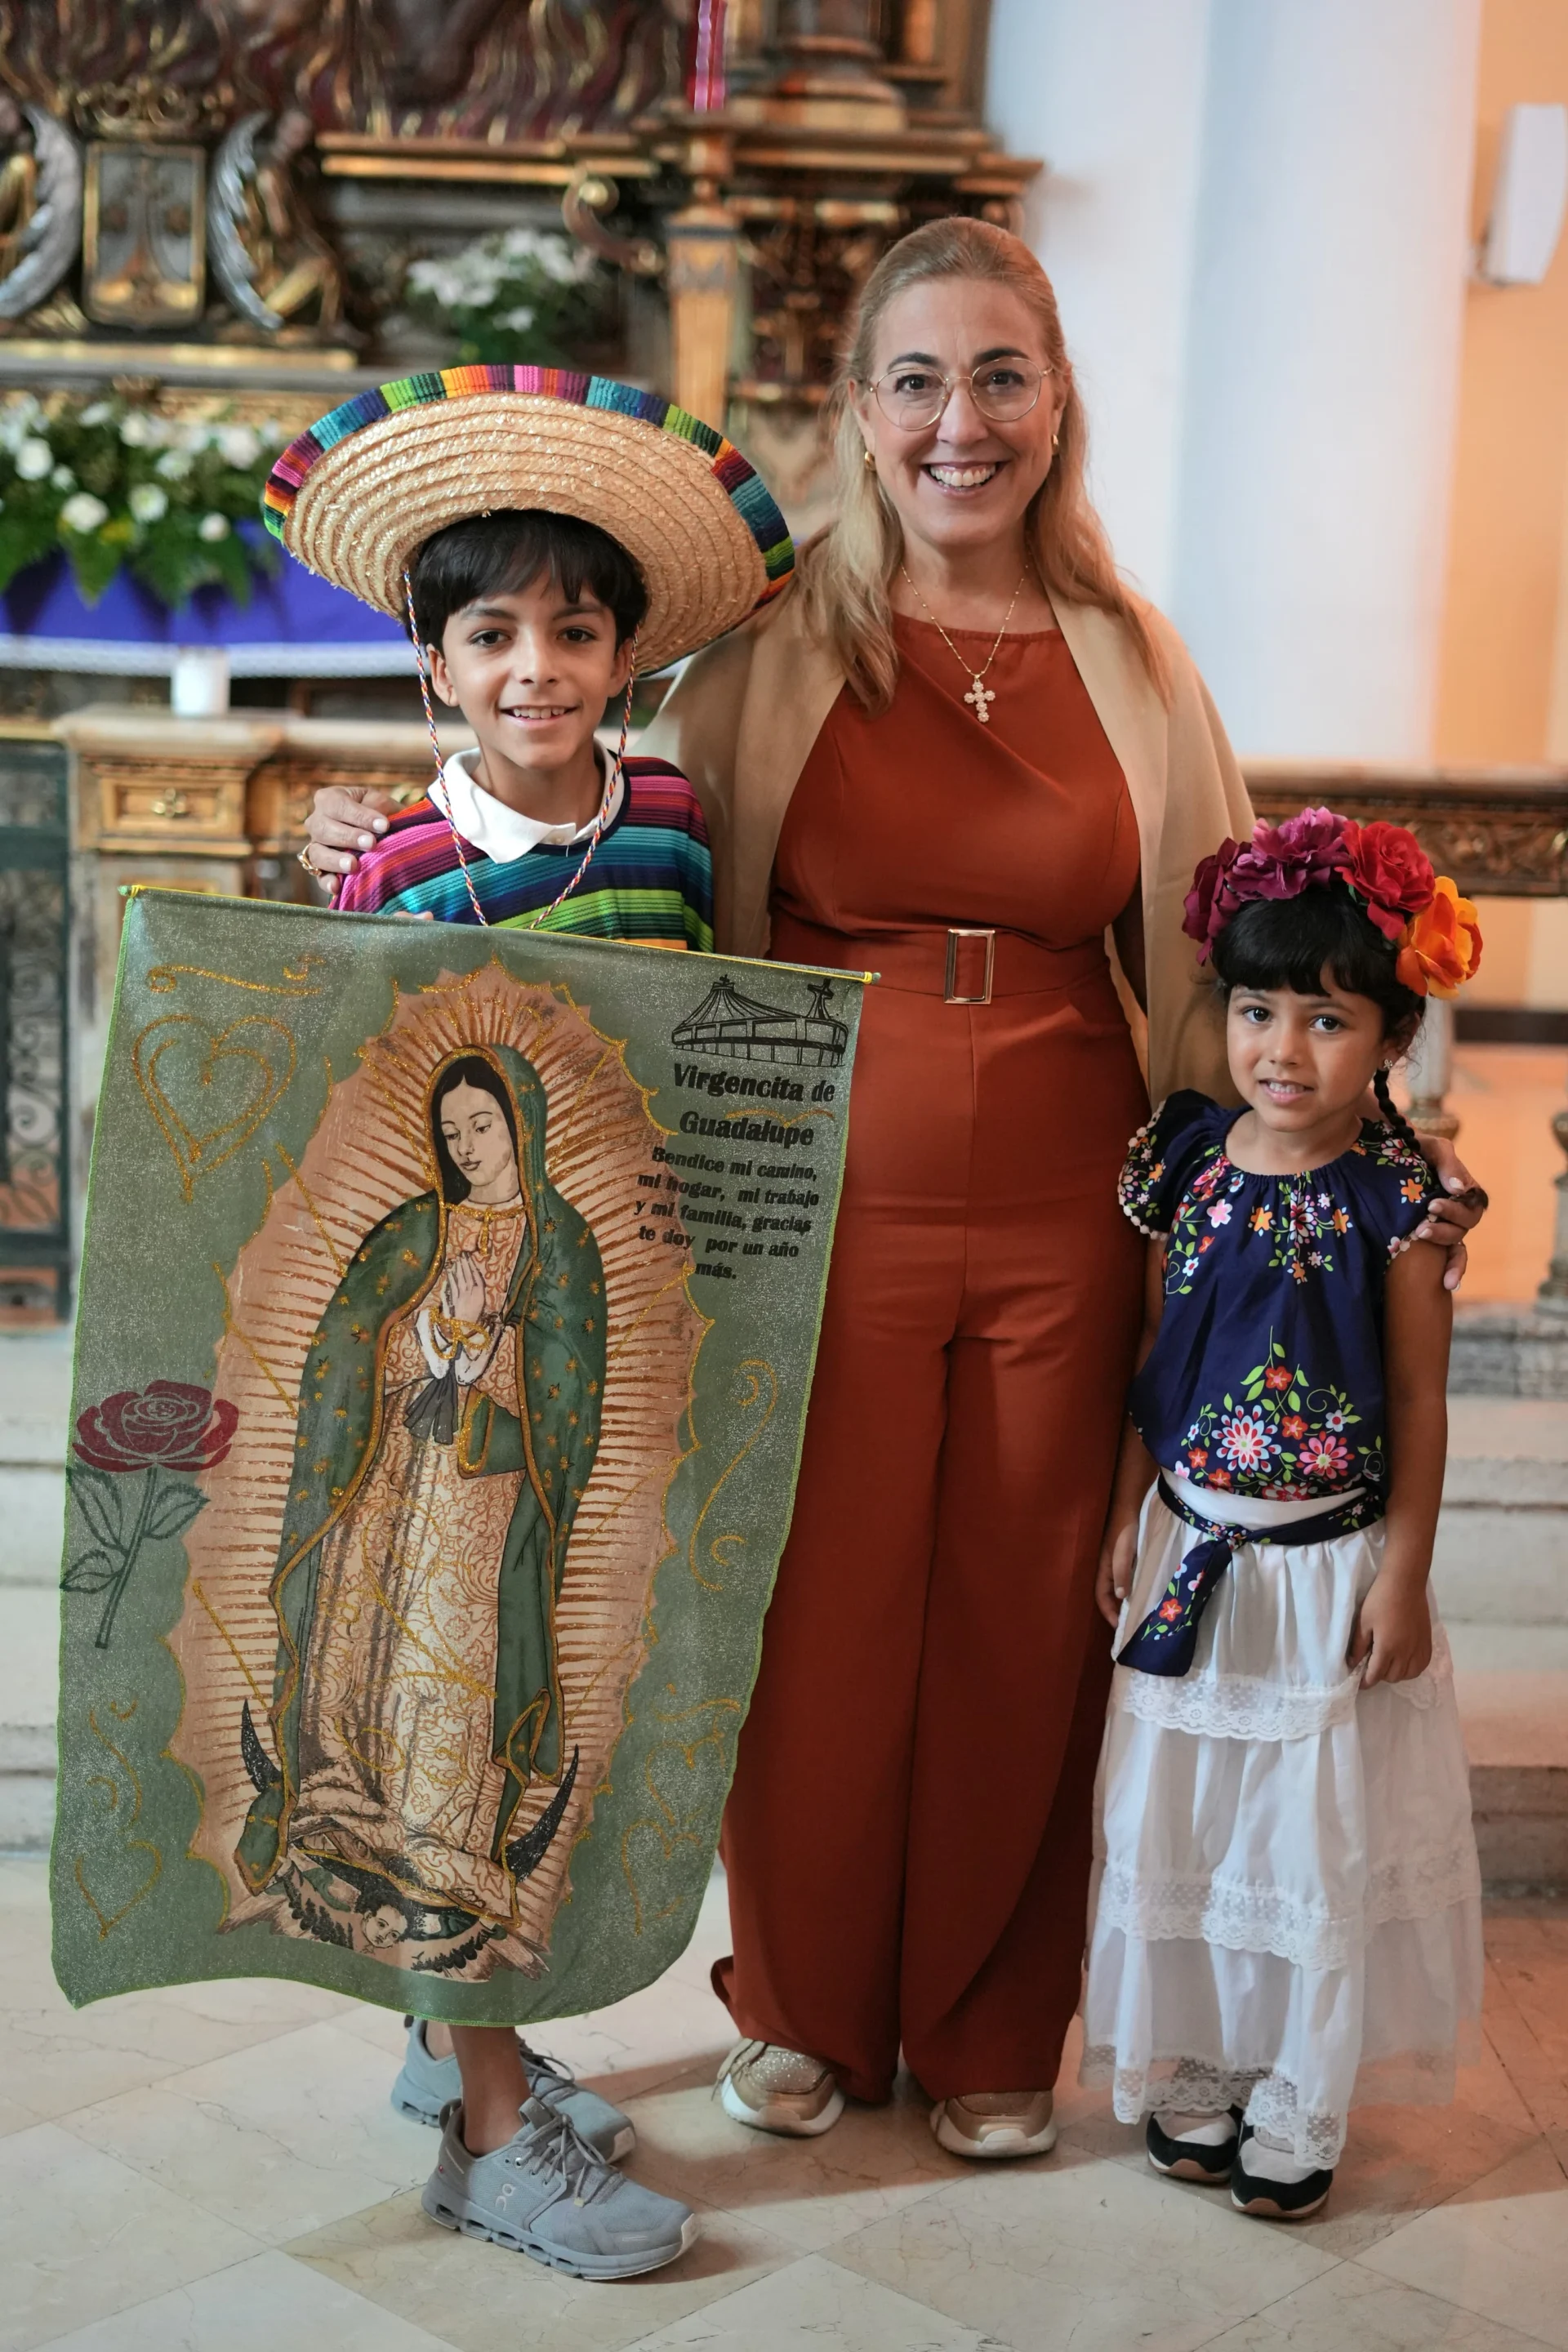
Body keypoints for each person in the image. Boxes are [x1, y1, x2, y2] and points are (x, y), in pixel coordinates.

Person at [303, 221, 1485, 2163]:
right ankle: (809, 2007)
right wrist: (388, 815)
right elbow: (586, 845)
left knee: (1033, 1604)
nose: (962, 422)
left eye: (1001, 376)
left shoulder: (1134, 657)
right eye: (918, 381)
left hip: (1068, 1201)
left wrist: (1364, 1187)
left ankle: (995, 2023)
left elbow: (1233, 977)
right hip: (809, 1192)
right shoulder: (767, 650)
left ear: (1056, 403)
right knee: (821, 1607)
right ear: (860, 411)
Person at [270, 360, 792, 2274]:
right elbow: (352, 1127)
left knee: (550, 1698)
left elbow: (709, 1057)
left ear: (627, 648)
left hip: (614, 1348)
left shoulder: (667, 820)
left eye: (576, 627)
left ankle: (456, 2038)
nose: (538, 665)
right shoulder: (400, 862)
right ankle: (493, 2133)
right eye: (493, 631)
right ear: (435, 659)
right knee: (437, 1712)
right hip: (445, 1385)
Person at [1083, 808, 1485, 2220]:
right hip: (1196, 1553)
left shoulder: (1401, 1204)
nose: (1283, 1050)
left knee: (1300, 1836)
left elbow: (1423, 1408)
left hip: (1327, 1568)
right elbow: (1153, 1362)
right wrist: (1135, 1510)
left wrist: (1408, 1574)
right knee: (1190, 1822)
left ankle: (1301, 2101)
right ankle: (1197, 2064)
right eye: (1259, 1011)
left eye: (1327, 1020)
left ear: (1390, 1038)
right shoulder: (1182, 1165)